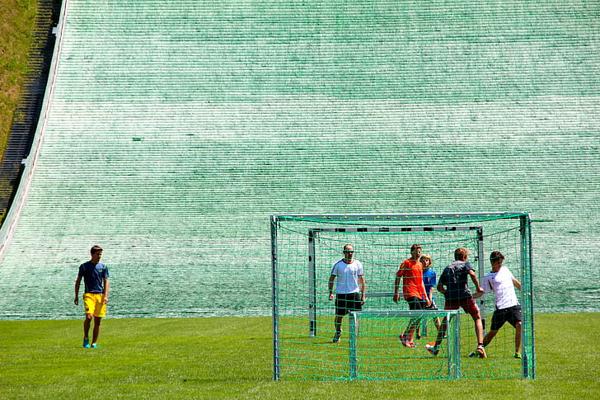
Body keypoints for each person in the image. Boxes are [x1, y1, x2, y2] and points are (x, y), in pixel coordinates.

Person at [425, 247, 485, 357]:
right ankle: (480, 346)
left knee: (446, 321)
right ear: (464, 257)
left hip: (451, 297)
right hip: (464, 295)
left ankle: (436, 347)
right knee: (476, 317)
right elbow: (472, 274)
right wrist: (478, 288)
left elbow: (439, 287)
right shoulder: (465, 264)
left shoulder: (447, 268)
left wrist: (446, 293)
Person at [474, 251, 523, 359]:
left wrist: (524, 290)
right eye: (499, 263)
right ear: (493, 263)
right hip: (500, 308)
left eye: (501, 262)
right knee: (492, 332)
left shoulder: (505, 270)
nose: (500, 264)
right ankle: (479, 349)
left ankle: (517, 352)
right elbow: (482, 292)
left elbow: (515, 282)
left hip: (514, 305)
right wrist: (470, 297)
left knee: (520, 324)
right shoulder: (488, 277)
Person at [393, 244, 431, 348]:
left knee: (419, 315)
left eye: (420, 252)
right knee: (416, 314)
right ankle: (406, 337)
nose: (418, 254)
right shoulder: (406, 263)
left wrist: (426, 297)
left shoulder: (419, 265)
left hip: (419, 293)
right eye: (416, 251)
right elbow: (398, 276)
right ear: (412, 252)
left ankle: (407, 337)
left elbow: (421, 282)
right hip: (410, 292)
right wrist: (396, 292)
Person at [328, 243, 366, 343]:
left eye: (351, 252)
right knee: (339, 316)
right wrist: (330, 292)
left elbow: (362, 280)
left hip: (354, 294)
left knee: (356, 316)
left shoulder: (358, 264)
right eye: (348, 252)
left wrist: (363, 295)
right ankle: (338, 332)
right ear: (344, 252)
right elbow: (331, 279)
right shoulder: (338, 265)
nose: (350, 253)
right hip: (341, 294)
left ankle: (354, 336)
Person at [74, 245, 110, 349]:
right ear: (92, 254)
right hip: (89, 295)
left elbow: (106, 281)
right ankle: (85, 338)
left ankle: (94, 343)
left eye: (100, 254)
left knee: (98, 320)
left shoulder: (103, 267)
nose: (99, 256)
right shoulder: (84, 266)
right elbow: (78, 281)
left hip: (100, 295)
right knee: (89, 317)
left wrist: (106, 296)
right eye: (98, 254)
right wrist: (76, 295)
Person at [417, 254, 442, 338]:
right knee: (418, 315)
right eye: (423, 260)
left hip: (429, 297)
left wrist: (430, 298)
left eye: (427, 260)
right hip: (419, 297)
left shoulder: (432, 273)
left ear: (429, 262)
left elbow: (431, 287)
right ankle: (417, 333)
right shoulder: (417, 271)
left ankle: (440, 332)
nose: (425, 262)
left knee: (435, 314)